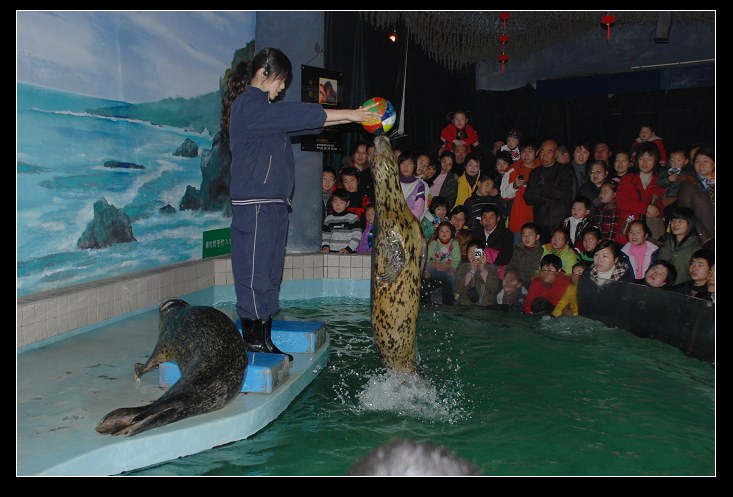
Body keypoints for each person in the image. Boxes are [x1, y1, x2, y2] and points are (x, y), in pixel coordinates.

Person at [224, 48, 378, 358]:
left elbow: (305, 123)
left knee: (269, 272)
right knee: (253, 270)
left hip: (274, 203)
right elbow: (298, 114)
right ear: (265, 73)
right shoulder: (249, 106)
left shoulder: (267, 116)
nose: (283, 88)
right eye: (282, 81)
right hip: (255, 204)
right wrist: (352, 114)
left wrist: (343, 119)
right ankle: (253, 339)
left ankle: (264, 335)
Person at [524, 138, 577, 243]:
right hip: (540, 220)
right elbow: (528, 197)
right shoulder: (535, 173)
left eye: (549, 151)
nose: (545, 155)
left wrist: (540, 189)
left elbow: (561, 193)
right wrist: (547, 195)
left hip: (558, 220)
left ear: (556, 153)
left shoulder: (565, 171)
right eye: (542, 151)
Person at [616, 141, 666, 244]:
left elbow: (663, 202)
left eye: (649, 159)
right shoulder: (628, 179)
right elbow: (621, 201)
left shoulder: (660, 181)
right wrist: (645, 207)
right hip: (628, 229)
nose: (644, 162)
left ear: (656, 160)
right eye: (641, 158)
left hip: (651, 231)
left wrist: (658, 210)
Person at [676, 144, 715, 245]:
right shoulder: (688, 184)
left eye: (705, 161)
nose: (701, 165)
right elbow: (686, 213)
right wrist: (706, 238)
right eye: (697, 161)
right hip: (704, 239)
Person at [502, 141, 539, 239]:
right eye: (523, 152)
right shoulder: (513, 170)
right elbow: (504, 195)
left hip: (539, 221)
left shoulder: (543, 168)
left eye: (530, 151)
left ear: (537, 152)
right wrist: (514, 186)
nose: (526, 155)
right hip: (518, 221)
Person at [656, 207, 702, 286]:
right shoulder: (668, 242)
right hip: (663, 286)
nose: (675, 224)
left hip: (682, 290)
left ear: (689, 223)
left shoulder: (695, 247)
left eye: (680, 221)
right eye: (673, 220)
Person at [453, 240, 501, 307]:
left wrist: (482, 269)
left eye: (475, 252)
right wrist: (471, 271)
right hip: (465, 306)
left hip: (484, 307)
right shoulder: (462, 267)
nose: (472, 255)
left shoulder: (491, 268)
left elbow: (494, 289)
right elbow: (457, 289)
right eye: (469, 252)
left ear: (482, 253)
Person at [321, 189, 362, 254]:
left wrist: (348, 249)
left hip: (349, 253)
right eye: (335, 201)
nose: (338, 205)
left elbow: (357, 236)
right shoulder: (328, 219)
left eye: (341, 202)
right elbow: (325, 235)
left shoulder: (353, 218)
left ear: (347, 203)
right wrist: (325, 246)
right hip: (332, 253)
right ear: (331, 202)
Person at [398, 153, 429, 222]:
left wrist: (403, 219)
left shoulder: (419, 185)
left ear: (414, 165)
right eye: (402, 163)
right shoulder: (393, 182)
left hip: (409, 223)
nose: (406, 167)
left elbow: (418, 209)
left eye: (409, 163)